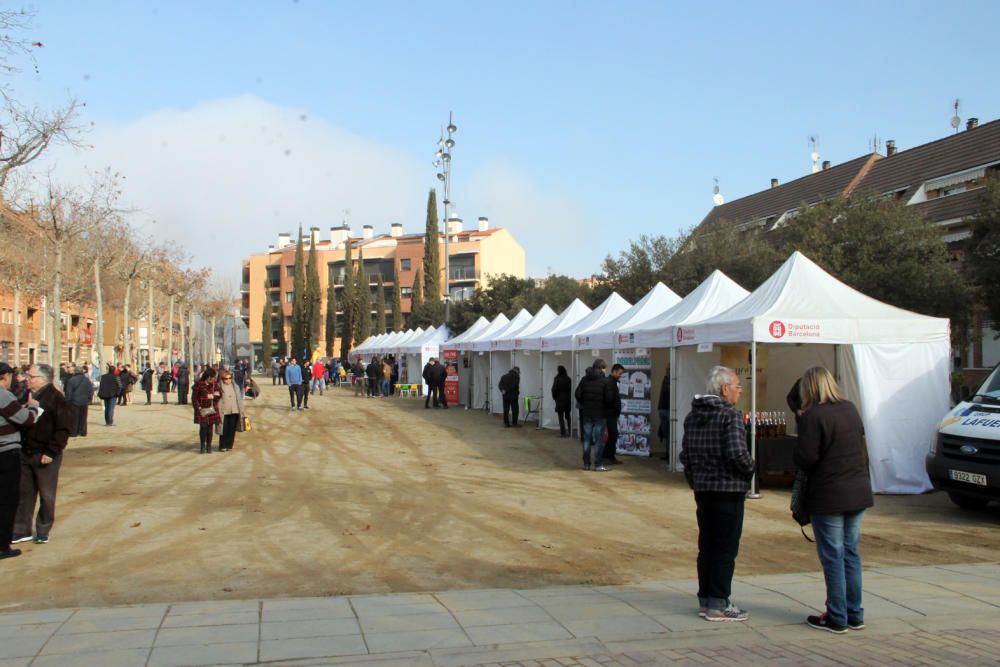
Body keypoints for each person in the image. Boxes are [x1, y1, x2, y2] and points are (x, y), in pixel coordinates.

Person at [794, 366, 873, 634]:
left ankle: (837, 616)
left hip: (829, 494)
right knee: (851, 553)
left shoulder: (813, 416)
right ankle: (855, 612)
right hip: (857, 490)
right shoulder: (850, 409)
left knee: (833, 556)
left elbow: (806, 458)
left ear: (810, 388)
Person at [679, 365, 755, 622]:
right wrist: (750, 470)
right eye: (737, 386)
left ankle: (706, 597)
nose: (740, 390)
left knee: (708, 545)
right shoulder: (729, 415)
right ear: (725, 389)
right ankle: (719, 602)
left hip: (703, 489)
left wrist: (695, 479)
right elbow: (736, 452)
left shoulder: (693, 416)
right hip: (727, 490)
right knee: (725, 547)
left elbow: (685, 455)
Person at [12, 364, 71, 546]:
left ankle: (43, 529)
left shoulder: (56, 398)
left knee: (46, 494)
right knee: (24, 493)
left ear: (43, 379)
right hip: (26, 451)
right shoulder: (25, 394)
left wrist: (51, 452)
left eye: (32, 377)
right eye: (28, 376)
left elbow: (63, 429)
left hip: (45, 454)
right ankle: (21, 530)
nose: (28, 380)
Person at [0, 362, 40, 560]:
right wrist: (33, 408)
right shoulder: (3, 395)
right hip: (6, 452)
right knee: (7, 499)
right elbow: (26, 419)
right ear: (5, 376)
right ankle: (2, 546)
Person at [575, 359, 615, 470]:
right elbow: (609, 399)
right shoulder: (605, 381)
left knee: (587, 439)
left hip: (587, 413)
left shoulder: (584, 379)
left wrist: (584, 402)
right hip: (600, 414)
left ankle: (586, 464)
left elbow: (577, 394)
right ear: (602, 368)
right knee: (599, 440)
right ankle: (598, 464)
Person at [192, 368, 222, 454]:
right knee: (203, 428)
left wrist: (213, 396)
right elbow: (194, 398)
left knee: (210, 429)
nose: (214, 379)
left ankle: (209, 446)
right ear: (208, 377)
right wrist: (198, 408)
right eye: (212, 377)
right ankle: (202, 446)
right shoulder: (199, 385)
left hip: (212, 409)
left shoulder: (215, 384)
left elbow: (219, 394)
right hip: (202, 410)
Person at [216, 369, 245, 452]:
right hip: (224, 411)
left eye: (230, 378)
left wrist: (241, 410)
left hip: (235, 410)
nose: (228, 380)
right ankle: (222, 446)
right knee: (224, 429)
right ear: (222, 379)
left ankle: (229, 445)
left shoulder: (235, 386)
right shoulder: (219, 386)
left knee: (231, 429)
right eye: (226, 378)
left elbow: (239, 399)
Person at [64, 365, 94, 437]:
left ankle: (74, 432)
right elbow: (90, 390)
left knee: (74, 417)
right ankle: (83, 432)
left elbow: (68, 392)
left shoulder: (71, 380)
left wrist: (68, 400)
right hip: (84, 401)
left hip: (74, 401)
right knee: (83, 417)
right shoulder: (87, 380)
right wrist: (89, 399)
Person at [604, 363, 626, 465]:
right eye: (619, 373)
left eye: (621, 374)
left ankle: (609, 456)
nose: (620, 375)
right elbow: (609, 398)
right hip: (610, 413)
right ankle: (608, 456)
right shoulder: (610, 382)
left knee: (613, 435)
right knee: (613, 434)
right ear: (613, 371)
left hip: (611, 413)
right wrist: (614, 407)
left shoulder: (612, 382)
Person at [552, 365, 573, 437]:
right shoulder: (568, 379)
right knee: (568, 416)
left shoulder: (557, 379)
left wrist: (555, 398)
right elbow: (571, 390)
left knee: (560, 417)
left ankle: (563, 432)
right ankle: (570, 431)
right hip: (567, 400)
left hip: (559, 400)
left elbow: (554, 389)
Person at [658, 372, 671, 460]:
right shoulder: (667, 380)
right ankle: (668, 454)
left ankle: (669, 454)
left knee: (668, 434)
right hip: (665, 409)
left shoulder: (667, 379)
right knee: (667, 434)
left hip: (664, 408)